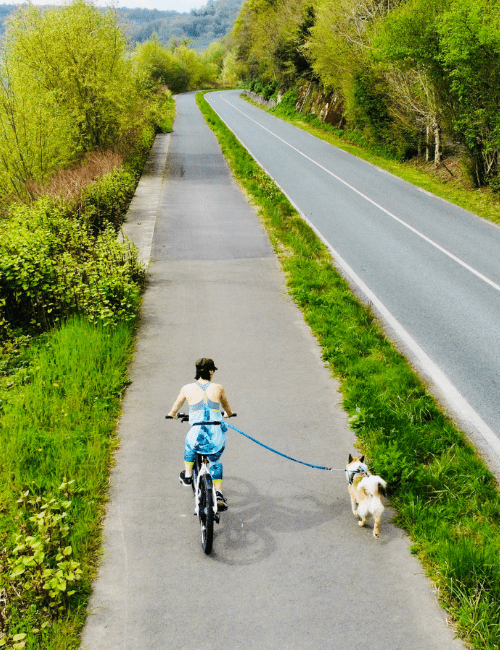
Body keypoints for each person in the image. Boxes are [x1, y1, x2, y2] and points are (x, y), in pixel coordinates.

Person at [167, 358, 234, 511]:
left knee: (189, 444)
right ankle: (218, 493)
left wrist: (172, 414)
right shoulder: (218, 388)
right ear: (211, 372)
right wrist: (228, 414)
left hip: (197, 433)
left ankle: (188, 476)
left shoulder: (187, 388)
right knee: (215, 460)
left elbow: (176, 406)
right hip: (215, 433)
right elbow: (227, 408)